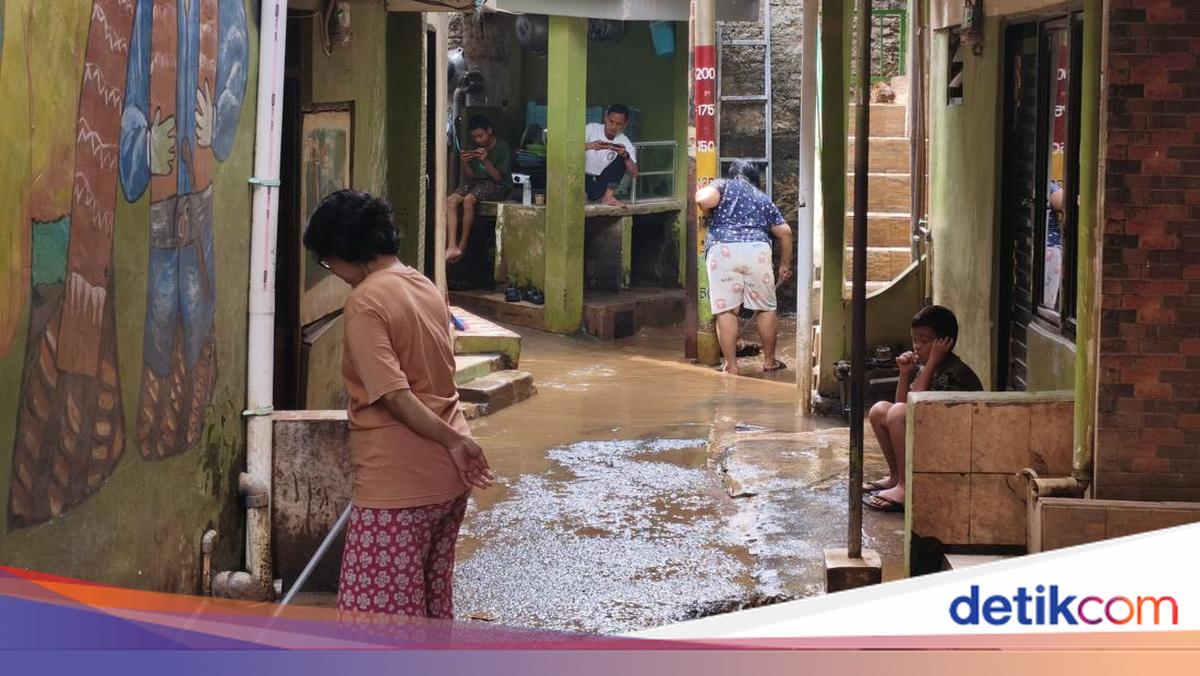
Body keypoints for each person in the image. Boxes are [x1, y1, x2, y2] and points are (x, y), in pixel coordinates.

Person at [303, 190, 495, 618]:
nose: (331, 271)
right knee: (429, 612)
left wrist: (453, 442)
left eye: (327, 261)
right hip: (447, 484)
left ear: (344, 251)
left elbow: (393, 395)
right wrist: (455, 442)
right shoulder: (422, 283)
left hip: (399, 486)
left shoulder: (367, 300)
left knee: (379, 624)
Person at [862, 305, 983, 512]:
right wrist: (905, 372)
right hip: (931, 432)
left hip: (957, 446)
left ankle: (906, 487)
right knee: (880, 409)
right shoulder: (927, 367)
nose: (917, 346)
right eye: (914, 340)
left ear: (944, 343)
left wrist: (933, 360)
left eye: (924, 341)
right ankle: (896, 477)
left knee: (898, 412)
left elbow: (914, 403)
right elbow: (901, 405)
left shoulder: (952, 373)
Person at [695, 160, 793, 374]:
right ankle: (769, 362)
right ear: (754, 178)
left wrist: (700, 193)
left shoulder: (723, 185)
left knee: (726, 311)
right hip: (756, 251)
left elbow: (703, 200)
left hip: (722, 251)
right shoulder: (761, 197)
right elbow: (785, 233)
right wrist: (784, 266)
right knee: (765, 309)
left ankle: (731, 366)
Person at [447, 115, 512, 263]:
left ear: (489, 131)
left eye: (480, 136)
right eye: (475, 137)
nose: (478, 140)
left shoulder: (501, 147)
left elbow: (497, 178)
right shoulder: (474, 147)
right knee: (450, 201)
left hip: (497, 185)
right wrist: (464, 163)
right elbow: (471, 176)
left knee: (469, 200)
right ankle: (451, 245)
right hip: (478, 183)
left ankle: (462, 245)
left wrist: (486, 161)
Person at [584, 104, 639, 206]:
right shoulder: (591, 128)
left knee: (622, 159)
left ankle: (608, 197)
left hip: (601, 184)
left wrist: (625, 156)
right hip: (582, 179)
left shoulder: (625, 141)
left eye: (619, 124)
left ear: (625, 124)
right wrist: (589, 145)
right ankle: (583, 194)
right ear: (605, 118)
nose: (613, 126)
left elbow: (634, 173)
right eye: (611, 121)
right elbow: (570, 149)